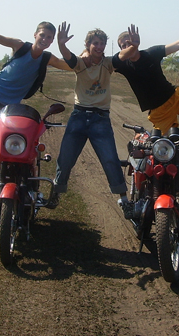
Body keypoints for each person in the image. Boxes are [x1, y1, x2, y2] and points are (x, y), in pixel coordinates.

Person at [46, 23, 134, 219]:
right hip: (78, 116)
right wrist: (61, 44)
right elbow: (68, 57)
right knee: (66, 159)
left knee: (110, 159)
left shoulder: (109, 63)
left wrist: (134, 45)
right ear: (88, 44)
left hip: (100, 119)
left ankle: (124, 200)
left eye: (102, 43)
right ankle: (56, 193)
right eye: (95, 43)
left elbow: (124, 55)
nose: (99, 47)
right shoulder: (80, 63)